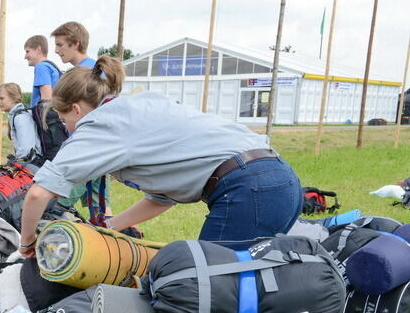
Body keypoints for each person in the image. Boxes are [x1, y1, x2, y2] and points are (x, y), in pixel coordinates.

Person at [19, 56, 302, 257]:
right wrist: (107, 226)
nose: (66, 128)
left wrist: (27, 243)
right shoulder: (138, 106)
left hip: (249, 189)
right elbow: (161, 198)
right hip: (280, 181)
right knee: (247, 285)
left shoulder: (100, 124)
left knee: (202, 286)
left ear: (76, 110)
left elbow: (38, 194)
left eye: (62, 118)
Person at [50, 21, 110, 218]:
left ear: (75, 43)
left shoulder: (86, 73)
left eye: (60, 45)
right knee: (99, 205)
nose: (56, 50)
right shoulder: (91, 69)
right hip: (94, 146)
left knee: (55, 200)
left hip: (86, 148)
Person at [0, 83, 40, 159]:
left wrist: (18, 164)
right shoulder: (16, 115)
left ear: (14, 98)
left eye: (1, 98)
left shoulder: (21, 117)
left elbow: (26, 149)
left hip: (32, 164)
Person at [23, 35, 60, 107]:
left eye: (27, 51)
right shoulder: (51, 67)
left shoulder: (41, 67)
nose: (25, 56)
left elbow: (46, 101)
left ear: (38, 49)